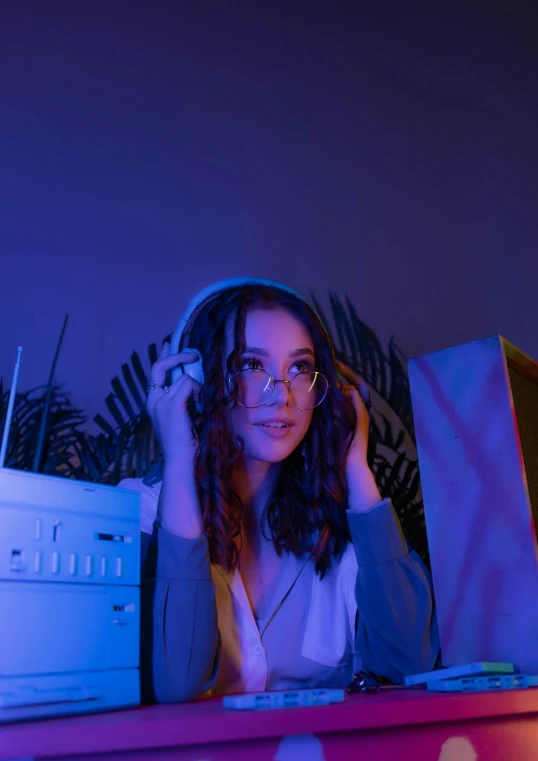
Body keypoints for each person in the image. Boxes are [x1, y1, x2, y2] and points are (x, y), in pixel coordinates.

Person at [119, 280, 439, 704]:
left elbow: (410, 665)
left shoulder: (338, 527)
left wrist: (355, 468)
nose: (283, 394)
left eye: (300, 368)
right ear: (195, 380)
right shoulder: (136, 514)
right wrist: (180, 458)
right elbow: (177, 685)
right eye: (252, 365)